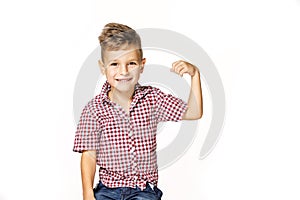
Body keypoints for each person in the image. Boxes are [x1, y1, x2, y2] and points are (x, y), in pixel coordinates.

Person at [73, 22, 203, 200]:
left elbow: (194, 112)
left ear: (142, 65)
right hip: (107, 190)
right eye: (114, 64)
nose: (124, 71)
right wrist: (88, 193)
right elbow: (89, 154)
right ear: (103, 68)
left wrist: (195, 75)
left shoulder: (153, 99)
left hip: (143, 191)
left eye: (131, 63)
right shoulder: (94, 109)